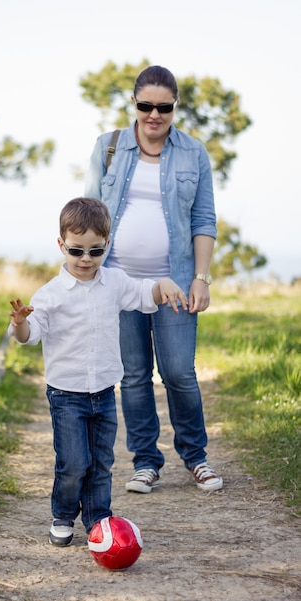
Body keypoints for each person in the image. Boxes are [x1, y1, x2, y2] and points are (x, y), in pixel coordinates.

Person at [8, 197, 187, 546]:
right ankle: (62, 515)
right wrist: (19, 323)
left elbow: (142, 293)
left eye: (95, 250)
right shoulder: (50, 294)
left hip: (104, 391)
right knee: (74, 463)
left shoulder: (115, 282)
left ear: (108, 244)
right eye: (76, 251)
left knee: (101, 463)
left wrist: (162, 284)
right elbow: (29, 337)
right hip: (66, 394)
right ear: (62, 245)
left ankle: (98, 519)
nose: (86, 259)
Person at [85, 65, 223, 494]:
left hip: (176, 283)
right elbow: (88, 213)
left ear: (174, 106)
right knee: (134, 376)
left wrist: (201, 278)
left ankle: (196, 457)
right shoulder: (108, 148)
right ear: (134, 103)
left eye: (163, 107)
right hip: (119, 283)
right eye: (146, 105)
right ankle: (146, 461)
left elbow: (203, 219)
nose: (154, 115)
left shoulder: (193, 153)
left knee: (180, 372)